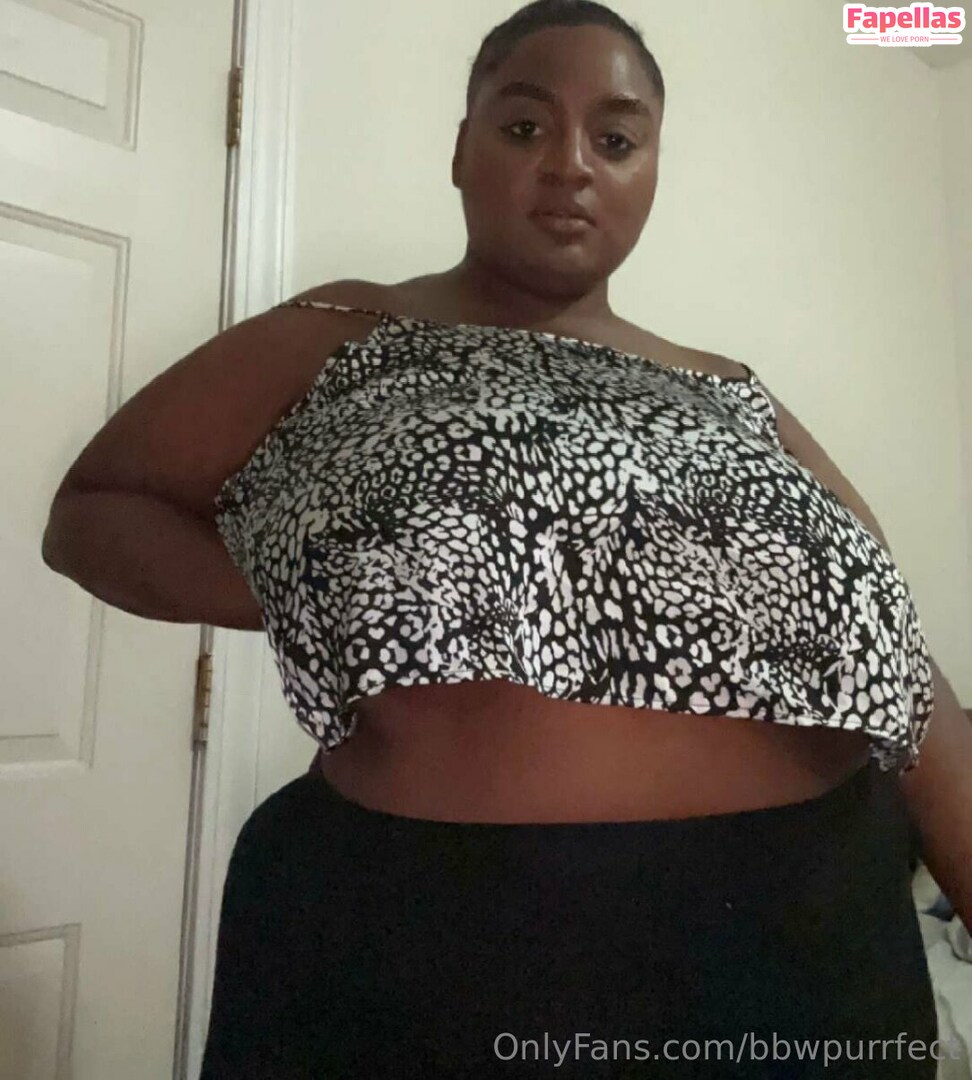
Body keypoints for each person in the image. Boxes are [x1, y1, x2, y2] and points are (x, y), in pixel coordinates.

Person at [40, 1, 972, 1076]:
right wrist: (318, 587)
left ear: (651, 172)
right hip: (442, 941)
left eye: (615, 139)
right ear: (461, 150)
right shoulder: (352, 330)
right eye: (526, 126)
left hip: (809, 942)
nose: (571, 164)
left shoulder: (728, 389)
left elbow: (897, 657)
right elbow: (95, 510)